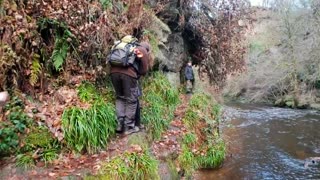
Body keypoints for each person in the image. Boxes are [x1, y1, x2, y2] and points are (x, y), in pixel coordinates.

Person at [110, 40, 151, 135]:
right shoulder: (143, 50)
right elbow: (144, 70)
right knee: (131, 100)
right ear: (147, 49)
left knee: (120, 97)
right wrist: (137, 73)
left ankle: (120, 124)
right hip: (128, 74)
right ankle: (129, 126)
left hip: (113, 73)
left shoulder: (128, 47)